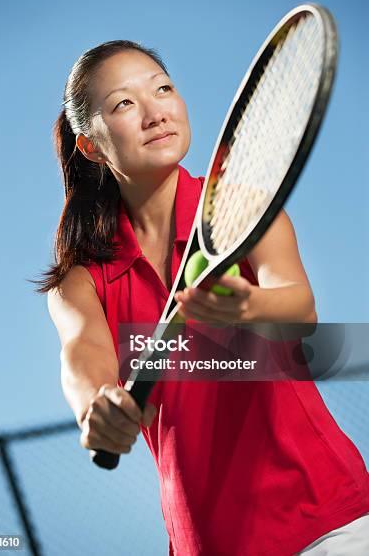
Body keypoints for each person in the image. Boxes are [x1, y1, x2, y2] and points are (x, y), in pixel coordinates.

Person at [38, 40, 369, 555]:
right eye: (124, 103)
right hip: (207, 542)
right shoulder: (81, 281)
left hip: (328, 518)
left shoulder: (247, 208)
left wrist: (247, 308)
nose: (154, 113)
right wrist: (95, 409)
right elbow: (83, 356)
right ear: (91, 146)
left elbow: (299, 308)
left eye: (163, 89)